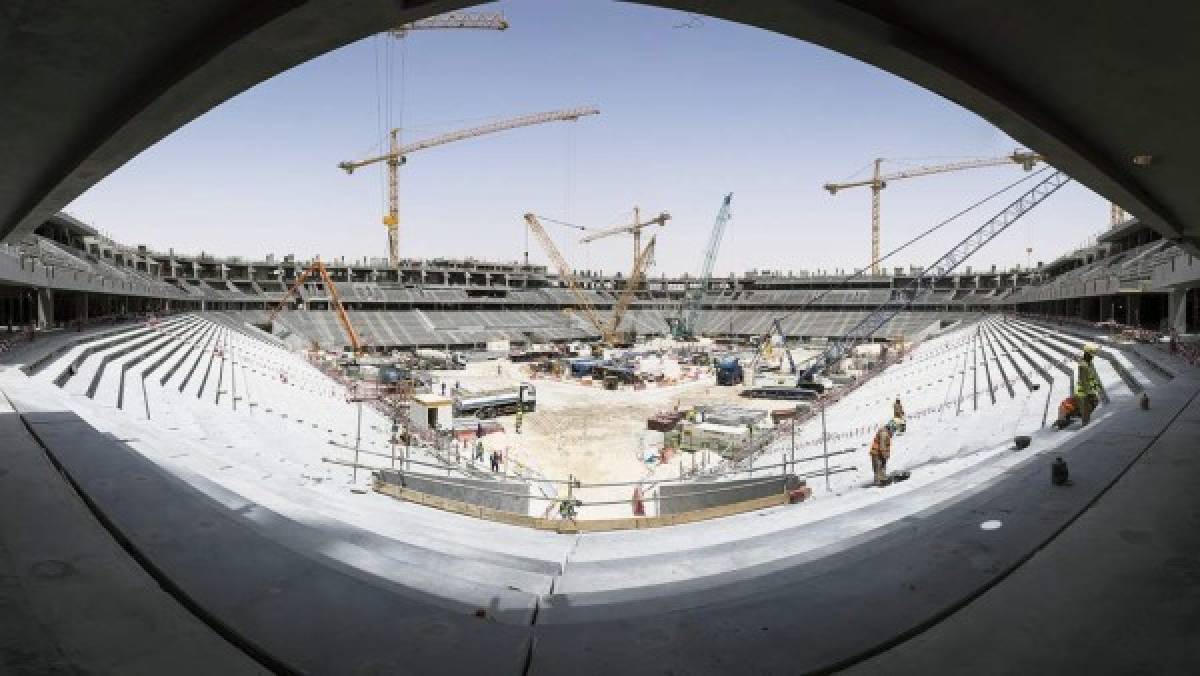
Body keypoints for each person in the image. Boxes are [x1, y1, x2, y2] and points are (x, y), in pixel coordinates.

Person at [1077, 344, 1102, 426]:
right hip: (1084, 390)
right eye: (1092, 354)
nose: (1093, 356)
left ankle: (1084, 417)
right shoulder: (1083, 365)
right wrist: (1088, 392)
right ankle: (1085, 423)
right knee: (1085, 408)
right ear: (1088, 354)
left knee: (1094, 402)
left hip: (1089, 389)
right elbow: (1083, 379)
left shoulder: (1089, 363)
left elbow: (1092, 376)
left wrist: (1096, 387)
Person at [870, 420, 895, 486]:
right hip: (876, 453)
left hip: (880, 453)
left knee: (882, 467)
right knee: (878, 467)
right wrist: (885, 454)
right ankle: (878, 482)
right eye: (893, 429)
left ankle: (883, 479)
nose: (893, 432)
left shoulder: (886, 433)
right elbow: (882, 445)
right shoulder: (884, 433)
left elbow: (886, 446)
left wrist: (887, 454)